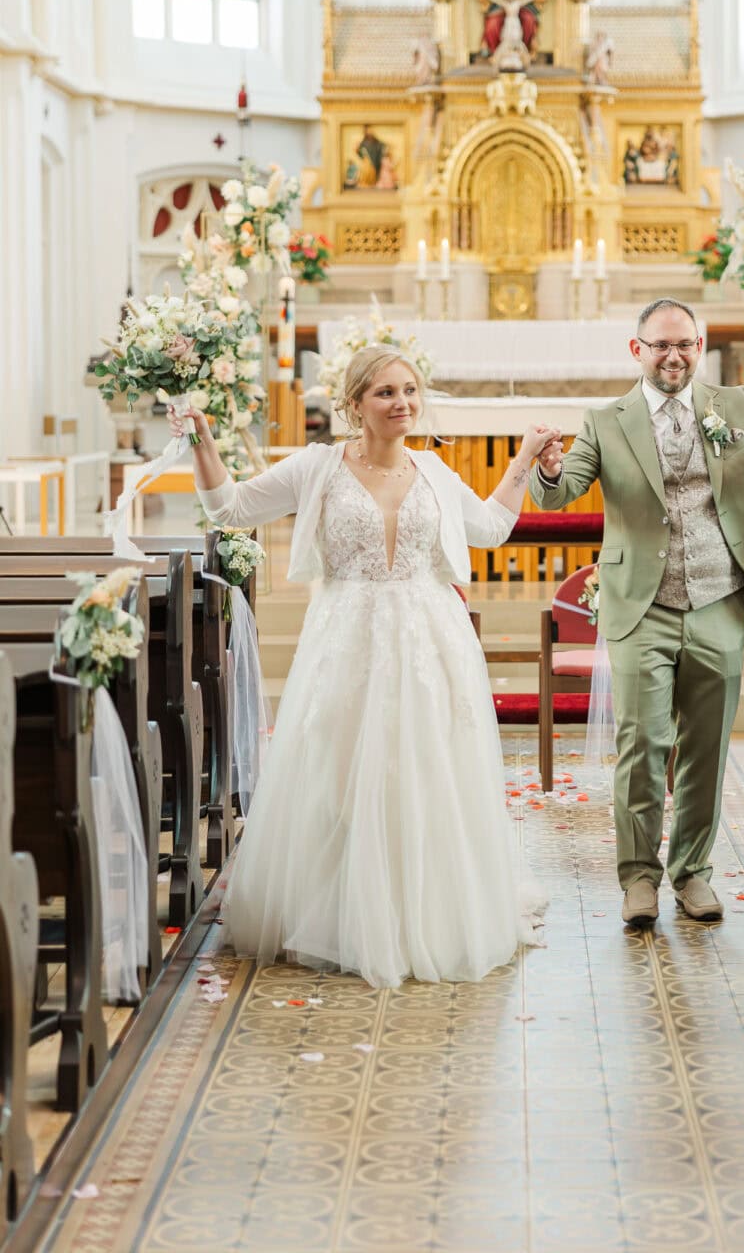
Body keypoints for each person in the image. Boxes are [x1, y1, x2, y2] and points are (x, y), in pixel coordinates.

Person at [169, 348, 556, 987]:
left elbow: (490, 529)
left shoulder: (434, 471)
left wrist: (522, 461)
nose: (402, 403)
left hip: (431, 641)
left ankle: (426, 912)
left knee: (426, 770)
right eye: (385, 392)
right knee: (342, 770)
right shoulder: (317, 467)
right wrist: (202, 440)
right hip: (347, 639)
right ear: (354, 404)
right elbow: (228, 508)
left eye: (409, 390)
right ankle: (342, 909)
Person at [530, 298, 744, 928]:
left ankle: (693, 874)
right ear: (637, 350)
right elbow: (562, 490)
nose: (674, 356)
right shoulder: (605, 421)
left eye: (684, 344)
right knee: (642, 745)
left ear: (699, 346)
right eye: (660, 345)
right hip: (642, 606)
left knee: (706, 748)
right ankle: (638, 879)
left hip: (719, 600)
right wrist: (549, 470)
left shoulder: (735, 407)